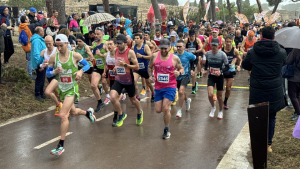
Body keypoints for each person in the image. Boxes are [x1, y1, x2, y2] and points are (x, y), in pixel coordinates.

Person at [45, 34, 96, 156]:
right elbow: (47, 74)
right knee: (73, 112)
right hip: (62, 89)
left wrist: (80, 71)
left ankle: (60, 146)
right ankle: (87, 113)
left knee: (63, 115)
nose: (59, 48)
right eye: (57, 46)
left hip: (72, 89)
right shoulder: (54, 57)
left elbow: (88, 65)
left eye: (61, 45)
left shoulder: (75, 55)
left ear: (67, 44)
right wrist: (54, 71)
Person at [242, 26, 286, 153]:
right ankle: (268, 144)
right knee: (271, 116)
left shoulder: (253, 52)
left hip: (258, 89)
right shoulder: (281, 52)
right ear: (274, 37)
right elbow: (284, 62)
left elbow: (245, 65)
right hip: (275, 90)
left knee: (257, 117)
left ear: (261, 36)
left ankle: (257, 143)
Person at [148, 39, 184, 139]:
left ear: (169, 47)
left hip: (170, 86)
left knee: (165, 107)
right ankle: (166, 119)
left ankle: (166, 129)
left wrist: (179, 72)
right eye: (162, 48)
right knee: (158, 110)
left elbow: (181, 68)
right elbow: (150, 67)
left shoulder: (175, 58)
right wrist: (150, 76)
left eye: (165, 48)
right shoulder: (154, 56)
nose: (163, 50)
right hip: (159, 87)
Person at [109, 34, 143, 127]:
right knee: (112, 97)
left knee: (133, 100)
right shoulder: (116, 51)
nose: (118, 45)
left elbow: (137, 67)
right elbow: (117, 63)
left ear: (125, 43)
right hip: (118, 79)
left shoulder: (130, 52)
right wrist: (116, 67)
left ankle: (139, 112)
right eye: (117, 43)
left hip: (128, 80)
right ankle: (121, 114)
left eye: (120, 43)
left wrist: (125, 65)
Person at [203, 38, 229, 120]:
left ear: (218, 46)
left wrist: (220, 71)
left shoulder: (222, 55)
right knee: (210, 94)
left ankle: (220, 110)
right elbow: (206, 64)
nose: (213, 47)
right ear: (210, 45)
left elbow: (227, 66)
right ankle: (213, 107)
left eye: (215, 45)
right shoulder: (208, 54)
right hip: (211, 76)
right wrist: (205, 70)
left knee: (219, 96)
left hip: (220, 77)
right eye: (212, 45)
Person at [19, 15, 46, 80]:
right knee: (30, 60)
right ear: (25, 20)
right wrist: (44, 18)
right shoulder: (28, 26)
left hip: (25, 45)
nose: (29, 20)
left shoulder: (21, 26)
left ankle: (32, 70)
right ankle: (29, 74)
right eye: (28, 18)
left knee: (30, 59)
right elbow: (39, 24)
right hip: (29, 46)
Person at [175, 40, 195, 118]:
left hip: (186, 75)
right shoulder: (174, 55)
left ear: (184, 47)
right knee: (181, 92)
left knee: (181, 91)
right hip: (177, 77)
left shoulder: (189, 55)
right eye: (177, 46)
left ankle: (179, 110)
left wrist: (192, 69)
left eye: (180, 46)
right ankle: (187, 100)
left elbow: (194, 60)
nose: (179, 48)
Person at [42, 36, 61, 116]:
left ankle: (61, 106)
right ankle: (59, 104)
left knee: (52, 92)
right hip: (49, 74)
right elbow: (39, 64)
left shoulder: (57, 50)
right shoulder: (43, 51)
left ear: (53, 42)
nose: (48, 45)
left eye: (49, 43)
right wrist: (43, 65)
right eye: (46, 44)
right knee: (55, 92)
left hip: (57, 74)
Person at [91, 28, 109, 112]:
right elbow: (93, 54)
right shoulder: (93, 43)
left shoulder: (105, 44)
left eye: (98, 34)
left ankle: (110, 95)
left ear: (102, 34)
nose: (96, 35)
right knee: (93, 85)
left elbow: (110, 55)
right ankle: (99, 102)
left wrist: (101, 54)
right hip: (97, 67)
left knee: (106, 83)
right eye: (95, 34)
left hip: (106, 67)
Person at [132, 33, 155, 102]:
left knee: (148, 83)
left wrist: (142, 56)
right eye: (135, 38)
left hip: (145, 68)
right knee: (133, 81)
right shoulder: (134, 47)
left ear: (141, 39)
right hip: (137, 68)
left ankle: (153, 94)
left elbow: (151, 56)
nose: (135, 40)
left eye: (137, 38)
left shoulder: (145, 47)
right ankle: (137, 96)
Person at [222, 36, 241, 109]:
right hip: (223, 70)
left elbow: (240, 59)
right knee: (221, 88)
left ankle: (225, 102)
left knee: (228, 88)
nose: (228, 43)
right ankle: (219, 100)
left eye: (230, 42)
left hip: (231, 71)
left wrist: (239, 65)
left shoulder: (234, 50)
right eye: (227, 41)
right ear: (225, 42)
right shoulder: (222, 50)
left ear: (232, 42)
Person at [30, 27, 47, 102]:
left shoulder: (39, 39)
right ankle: (37, 94)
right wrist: (39, 64)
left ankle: (41, 92)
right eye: (43, 31)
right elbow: (36, 53)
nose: (44, 32)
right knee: (39, 78)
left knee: (42, 78)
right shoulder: (36, 41)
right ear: (39, 31)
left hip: (43, 62)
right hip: (39, 63)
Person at [184, 29, 203, 94]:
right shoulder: (186, 40)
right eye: (190, 36)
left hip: (195, 57)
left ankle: (193, 86)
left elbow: (201, 48)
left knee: (193, 72)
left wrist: (195, 51)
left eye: (193, 36)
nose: (192, 38)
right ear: (189, 36)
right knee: (187, 72)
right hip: (188, 57)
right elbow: (183, 48)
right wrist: (188, 50)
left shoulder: (197, 40)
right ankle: (194, 83)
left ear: (195, 36)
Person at [285, 49, 300, 121]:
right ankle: (297, 111)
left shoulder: (296, 50)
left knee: (293, 95)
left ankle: (298, 113)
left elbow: (288, 61)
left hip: (294, 77)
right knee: (298, 95)